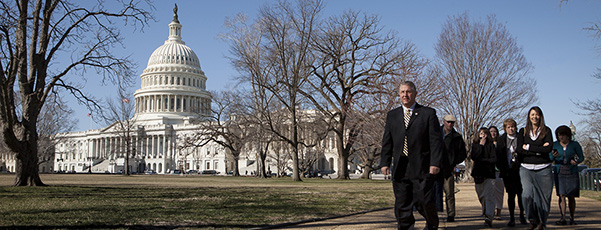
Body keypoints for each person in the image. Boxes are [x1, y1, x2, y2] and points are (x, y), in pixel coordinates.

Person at [380, 81, 444, 230]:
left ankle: (432, 224)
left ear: (415, 93)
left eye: (408, 92)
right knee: (402, 203)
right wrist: (384, 162)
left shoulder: (428, 113)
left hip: (421, 167)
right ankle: (406, 227)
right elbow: (387, 141)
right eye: (402, 92)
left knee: (423, 200)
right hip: (401, 167)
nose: (405, 95)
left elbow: (435, 142)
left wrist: (435, 163)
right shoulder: (392, 115)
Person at [517, 106, 553, 230]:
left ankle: (542, 222)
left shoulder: (547, 131)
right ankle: (532, 219)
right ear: (529, 116)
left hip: (544, 168)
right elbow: (519, 150)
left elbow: (548, 149)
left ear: (540, 116)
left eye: (537, 114)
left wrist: (529, 147)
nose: (535, 117)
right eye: (532, 114)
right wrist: (539, 149)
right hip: (526, 168)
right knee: (526, 195)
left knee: (544, 198)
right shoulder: (523, 131)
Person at [433, 114, 466, 222]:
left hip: (448, 169)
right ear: (444, 121)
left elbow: (463, 154)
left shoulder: (457, 137)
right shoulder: (435, 133)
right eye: (448, 122)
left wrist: (453, 161)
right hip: (435, 167)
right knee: (435, 192)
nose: (450, 124)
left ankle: (451, 214)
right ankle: (434, 213)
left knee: (449, 193)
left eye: (452, 122)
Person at [550, 125, 584, 226]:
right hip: (559, 171)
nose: (561, 137)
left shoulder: (575, 145)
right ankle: (563, 217)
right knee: (561, 195)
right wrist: (553, 156)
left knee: (571, 196)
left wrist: (576, 161)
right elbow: (549, 157)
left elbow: (581, 157)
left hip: (571, 171)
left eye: (563, 135)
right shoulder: (555, 145)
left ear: (568, 136)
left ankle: (572, 218)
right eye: (559, 135)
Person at [496, 119, 527, 227]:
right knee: (511, 195)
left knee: (521, 194)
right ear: (505, 128)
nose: (511, 129)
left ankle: (522, 216)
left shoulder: (520, 138)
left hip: (520, 170)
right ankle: (512, 217)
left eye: (512, 127)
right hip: (508, 171)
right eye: (508, 127)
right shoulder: (501, 140)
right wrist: (502, 168)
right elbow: (498, 156)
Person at [471, 127, 498, 227]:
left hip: (489, 174)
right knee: (481, 195)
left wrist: (483, 161)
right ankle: (486, 210)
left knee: (489, 196)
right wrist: (480, 146)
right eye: (481, 133)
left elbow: (494, 159)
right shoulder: (475, 145)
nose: (483, 135)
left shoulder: (491, 146)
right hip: (478, 174)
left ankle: (489, 216)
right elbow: (474, 157)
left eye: (485, 133)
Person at [489, 125, 505, 220]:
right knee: (490, 193)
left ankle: (498, 212)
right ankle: (491, 211)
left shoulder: (501, 143)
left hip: (499, 172)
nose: (493, 133)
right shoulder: (487, 144)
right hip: (489, 172)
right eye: (491, 131)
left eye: (495, 131)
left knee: (499, 193)